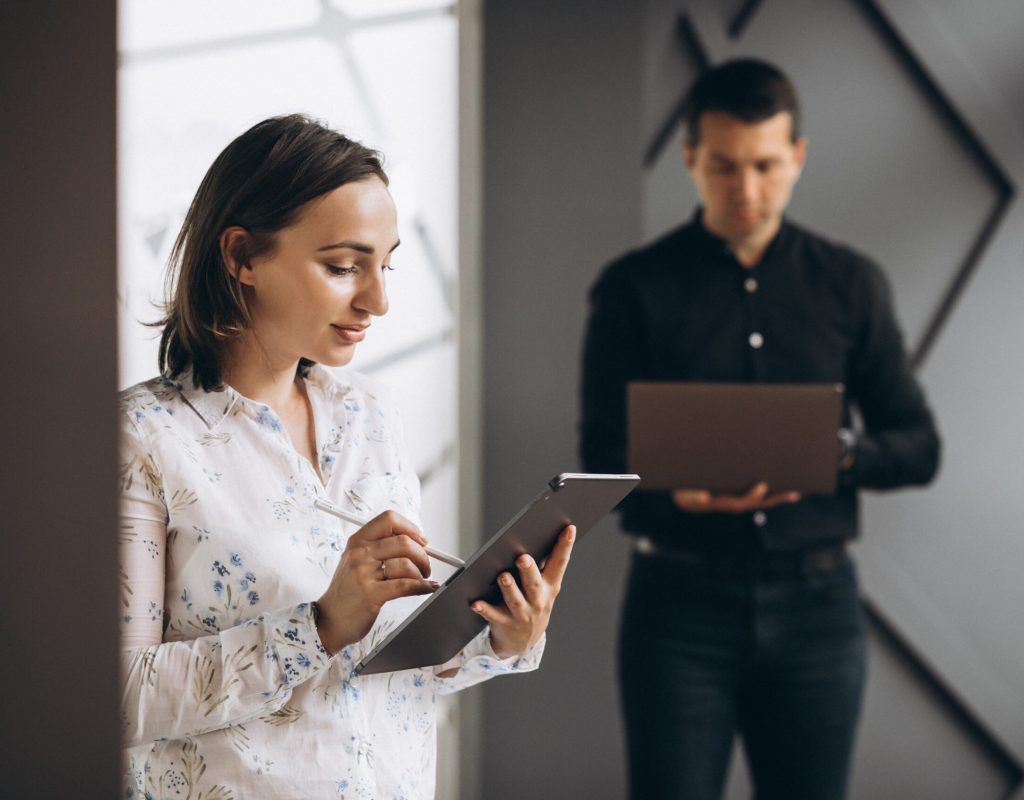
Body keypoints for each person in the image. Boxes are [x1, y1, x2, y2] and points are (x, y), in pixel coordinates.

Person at [119, 114, 575, 799]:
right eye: (342, 266)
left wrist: (500, 638)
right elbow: (114, 697)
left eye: (385, 265)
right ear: (241, 255)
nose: (378, 299)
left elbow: (379, 663)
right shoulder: (141, 439)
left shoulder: (372, 415)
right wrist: (319, 625)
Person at [580, 59, 940, 799]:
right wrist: (677, 500)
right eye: (724, 166)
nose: (746, 190)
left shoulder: (851, 283)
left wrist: (835, 454)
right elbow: (601, 459)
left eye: (767, 165)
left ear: (798, 157)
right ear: (689, 160)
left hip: (819, 605)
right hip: (677, 604)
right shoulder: (632, 287)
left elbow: (918, 446)